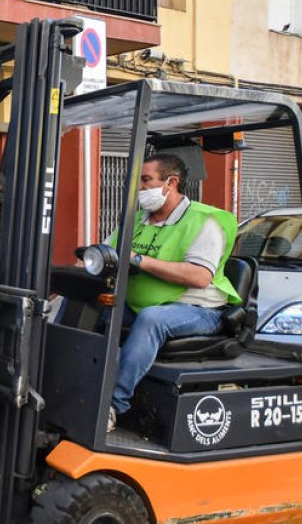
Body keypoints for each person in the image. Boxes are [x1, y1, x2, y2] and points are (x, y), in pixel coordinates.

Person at [108, 154, 242, 432]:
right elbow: (108, 252)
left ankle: (113, 404)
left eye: (145, 180)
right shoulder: (137, 221)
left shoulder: (203, 221)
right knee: (88, 310)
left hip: (199, 310)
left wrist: (140, 260)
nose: (139, 187)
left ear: (171, 183)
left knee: (152, 319)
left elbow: (200, 276)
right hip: (142, 304)